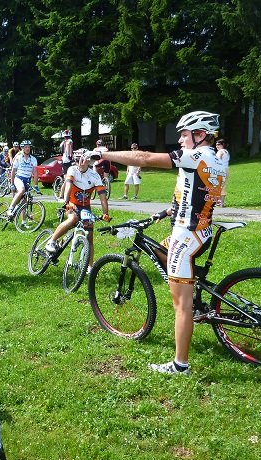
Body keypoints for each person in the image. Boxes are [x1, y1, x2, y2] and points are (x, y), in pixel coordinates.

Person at [92, 110, 226, 375]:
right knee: (161, 252)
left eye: (185, 135)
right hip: (200, 230)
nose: (180, 140)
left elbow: (144, 158)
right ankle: (194, 291)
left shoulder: (195, 155)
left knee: (181, 304)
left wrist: (103, 154)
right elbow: (192, 195)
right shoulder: (217, 158)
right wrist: (163, 213)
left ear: (201, 135)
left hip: (185, 237)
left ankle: (180, 365)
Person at [44, 150, 111, 271]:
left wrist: (105, 213)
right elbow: (68, 186)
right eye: (76, 160)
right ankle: (51, 241)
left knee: (89, 237)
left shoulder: (95, 176)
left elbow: (102, 197)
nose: (78, 163)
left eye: (81, 160)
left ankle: (89, 267)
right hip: (72, 204)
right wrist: (66, 203)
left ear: (88, 161)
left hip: (86, 208)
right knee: (73, 218)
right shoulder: (72, 170)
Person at [6, 140, 41, 222]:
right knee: (21, 190)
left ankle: (23, 222)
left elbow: (35, 172)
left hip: (27, 180)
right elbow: (13, 171)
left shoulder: (33, 159)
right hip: (18, 178)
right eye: (26, 147)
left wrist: (36, 185)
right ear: (22, 149)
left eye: (29, 147)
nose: (28, 149)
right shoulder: (18, 158)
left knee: (25, 201)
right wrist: (12, 184)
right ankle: (10, 209)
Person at [58, 129, 74, 199]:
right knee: (67, 179)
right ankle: (61, 195)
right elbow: (68, 149)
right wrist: (70, 156)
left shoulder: (62, 142)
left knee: (67, 178)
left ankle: (63, 194)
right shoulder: (69, 141)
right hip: (67, 161)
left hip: (64, 160)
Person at [216, 138, 230, 207]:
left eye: (218, 144)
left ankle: (218, 201)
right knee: (223, 186)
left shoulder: (220, 151)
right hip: (226, 169)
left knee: (218, 185)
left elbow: (217, 160)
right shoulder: (226, 152)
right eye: (216, 145)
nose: (217, 146)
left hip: (221, 170)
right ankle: (221, 203)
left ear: (223, 145)